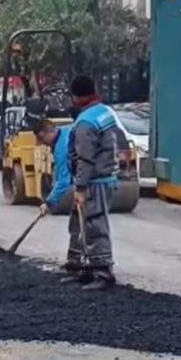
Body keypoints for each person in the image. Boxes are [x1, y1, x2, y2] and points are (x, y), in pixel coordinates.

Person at [63, 75, 119, 291]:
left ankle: (103, 271)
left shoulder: (86, 122)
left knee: (94, 225)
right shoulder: (103, 111)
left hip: (94, 181)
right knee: (78, 223)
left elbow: (85, 157)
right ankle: (80, 266)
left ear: (76, 97)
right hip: (102, 177)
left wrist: (80, 187)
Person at [34, 119, 72, 216]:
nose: (42, 143)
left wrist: (48, 202)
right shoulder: (65, 131)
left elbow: (64, 180)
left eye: (42, 138)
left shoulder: (61, 149)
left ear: (49, 133)